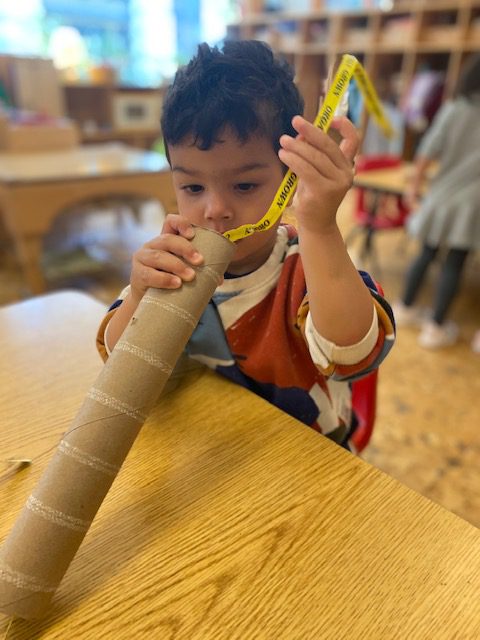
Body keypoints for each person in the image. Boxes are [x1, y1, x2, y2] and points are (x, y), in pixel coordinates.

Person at [96, 41, 395, 450]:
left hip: (310, 462)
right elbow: (121, 366)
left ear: (291, 178)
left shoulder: (308, 262)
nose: (215, 210)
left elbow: (352, 355)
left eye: (245, 185)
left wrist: (320, 228)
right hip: (210, 455)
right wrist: (139, 297)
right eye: (192, 186)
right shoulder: (175, 262)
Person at [393, 53, 480, 349]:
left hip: (441, 196)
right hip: (472, 204)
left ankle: (404, 307)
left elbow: (426, 152)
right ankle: (436, 327)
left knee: (426, 252)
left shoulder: (454, 109)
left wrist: (414, 188)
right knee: (455, 262)